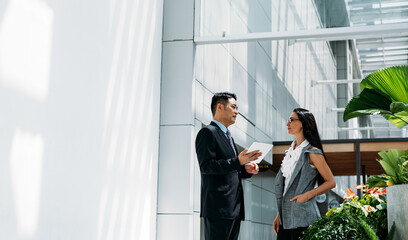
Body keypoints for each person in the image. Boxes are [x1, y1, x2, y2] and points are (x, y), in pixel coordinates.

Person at [195, 92, 262, 240]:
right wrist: (237, 162)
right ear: (220, 107)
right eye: (233, 107)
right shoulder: (207, 133)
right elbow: (207, 166)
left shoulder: (229, 136)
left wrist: (245, 169)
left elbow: (230, 169)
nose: (237, 112)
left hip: (233, 208)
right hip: (218, 208)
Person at [273, 108, 336, 240]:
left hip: (304, 218)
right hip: (286, 218)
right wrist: (280, 214)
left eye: (291, 120)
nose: (287, 124)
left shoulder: (312, 152)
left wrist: (308, 195)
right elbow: (287, 187)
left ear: (303, 123)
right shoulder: (290, 152)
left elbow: (331, 182)